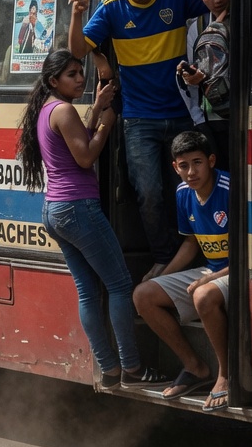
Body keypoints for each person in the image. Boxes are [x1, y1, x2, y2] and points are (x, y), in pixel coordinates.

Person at [18, 50, 168, 389]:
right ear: (54, 81)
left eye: (80, 72)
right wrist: (106, 125)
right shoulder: (64, 110)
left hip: (55, 210)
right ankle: (131, 366)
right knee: (118, 285)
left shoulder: (48, 109)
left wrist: (97, 107)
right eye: (72, 74)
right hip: (78, 208)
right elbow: (85, 156)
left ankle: (109, 370)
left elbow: (75, 141)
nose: (81, 78)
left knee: (88, 292)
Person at [69, 0, 210, 282]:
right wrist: (76, 12)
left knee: (195, 187)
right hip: (139, 119)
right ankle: (164, 258)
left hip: (182, 113)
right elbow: (76, 49)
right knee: (149, 193)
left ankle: (205, 255)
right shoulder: (112, 8)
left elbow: (215, 9)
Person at [132, 131, 231, 411]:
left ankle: (224, 374)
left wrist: (210, 278)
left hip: (234, 270)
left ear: (211, 161)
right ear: (175, 167)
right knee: (143, 295)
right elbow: (190, 243)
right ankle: (195, 366)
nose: (191, 171)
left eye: (197, 162)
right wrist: (162, 275)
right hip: (210, 269)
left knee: (202, 296)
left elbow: (249, 250)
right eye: (183, 165)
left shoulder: (229, 188)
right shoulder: (183, 193)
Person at [177, 0, 231, 167]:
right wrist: (192, 78)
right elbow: (190, 81)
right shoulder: (196, 28)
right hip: (213, 116)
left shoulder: (251, 19)